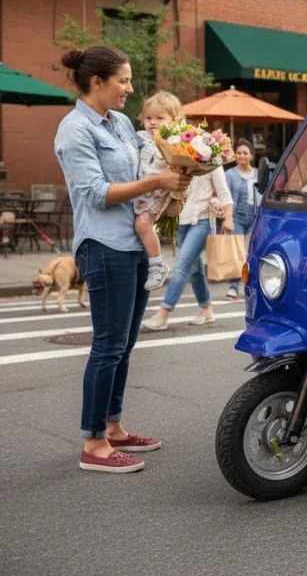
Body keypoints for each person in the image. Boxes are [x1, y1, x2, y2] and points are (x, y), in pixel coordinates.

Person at [54, 46, 190, 473]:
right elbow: (96, 192)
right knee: (107, 346)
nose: (130, 89)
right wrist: (157, 179)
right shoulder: (74, 130)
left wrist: (177, 179)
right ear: (98, 83)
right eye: (124, 81)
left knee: (125, 345)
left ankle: (113, 427)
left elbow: (145, 170)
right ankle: (93, 444)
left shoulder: (123, 123)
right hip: (104, 244)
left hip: (132, 244)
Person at [141, 158, 233, 330]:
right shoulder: (179, 159)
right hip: (181, 221)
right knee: (195, 269)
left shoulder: (212, 161)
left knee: (182, 266)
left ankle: (163, 314)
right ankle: (206, 310)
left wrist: (229, 218)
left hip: (202, 220)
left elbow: (224, 192)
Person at [133, 92, 184, 291]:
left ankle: (157, 265)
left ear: (174, 120)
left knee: (143, 223)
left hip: (158, 191)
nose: (153, 123)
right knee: (140, 224)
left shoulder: (174, 141)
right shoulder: (141, 137)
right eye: (148, 118)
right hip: (141, 188)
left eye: (159, 118)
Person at [223, 139, 259, 301]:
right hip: (236, 217)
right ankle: (233, 287)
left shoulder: (258, 174)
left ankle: (249, 287)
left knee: (252, 254)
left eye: (245, 153)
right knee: (237, 253)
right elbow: (225, 196)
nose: (241, 156)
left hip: (255, 218)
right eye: (238, 153)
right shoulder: (229, 175)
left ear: (251, 155)